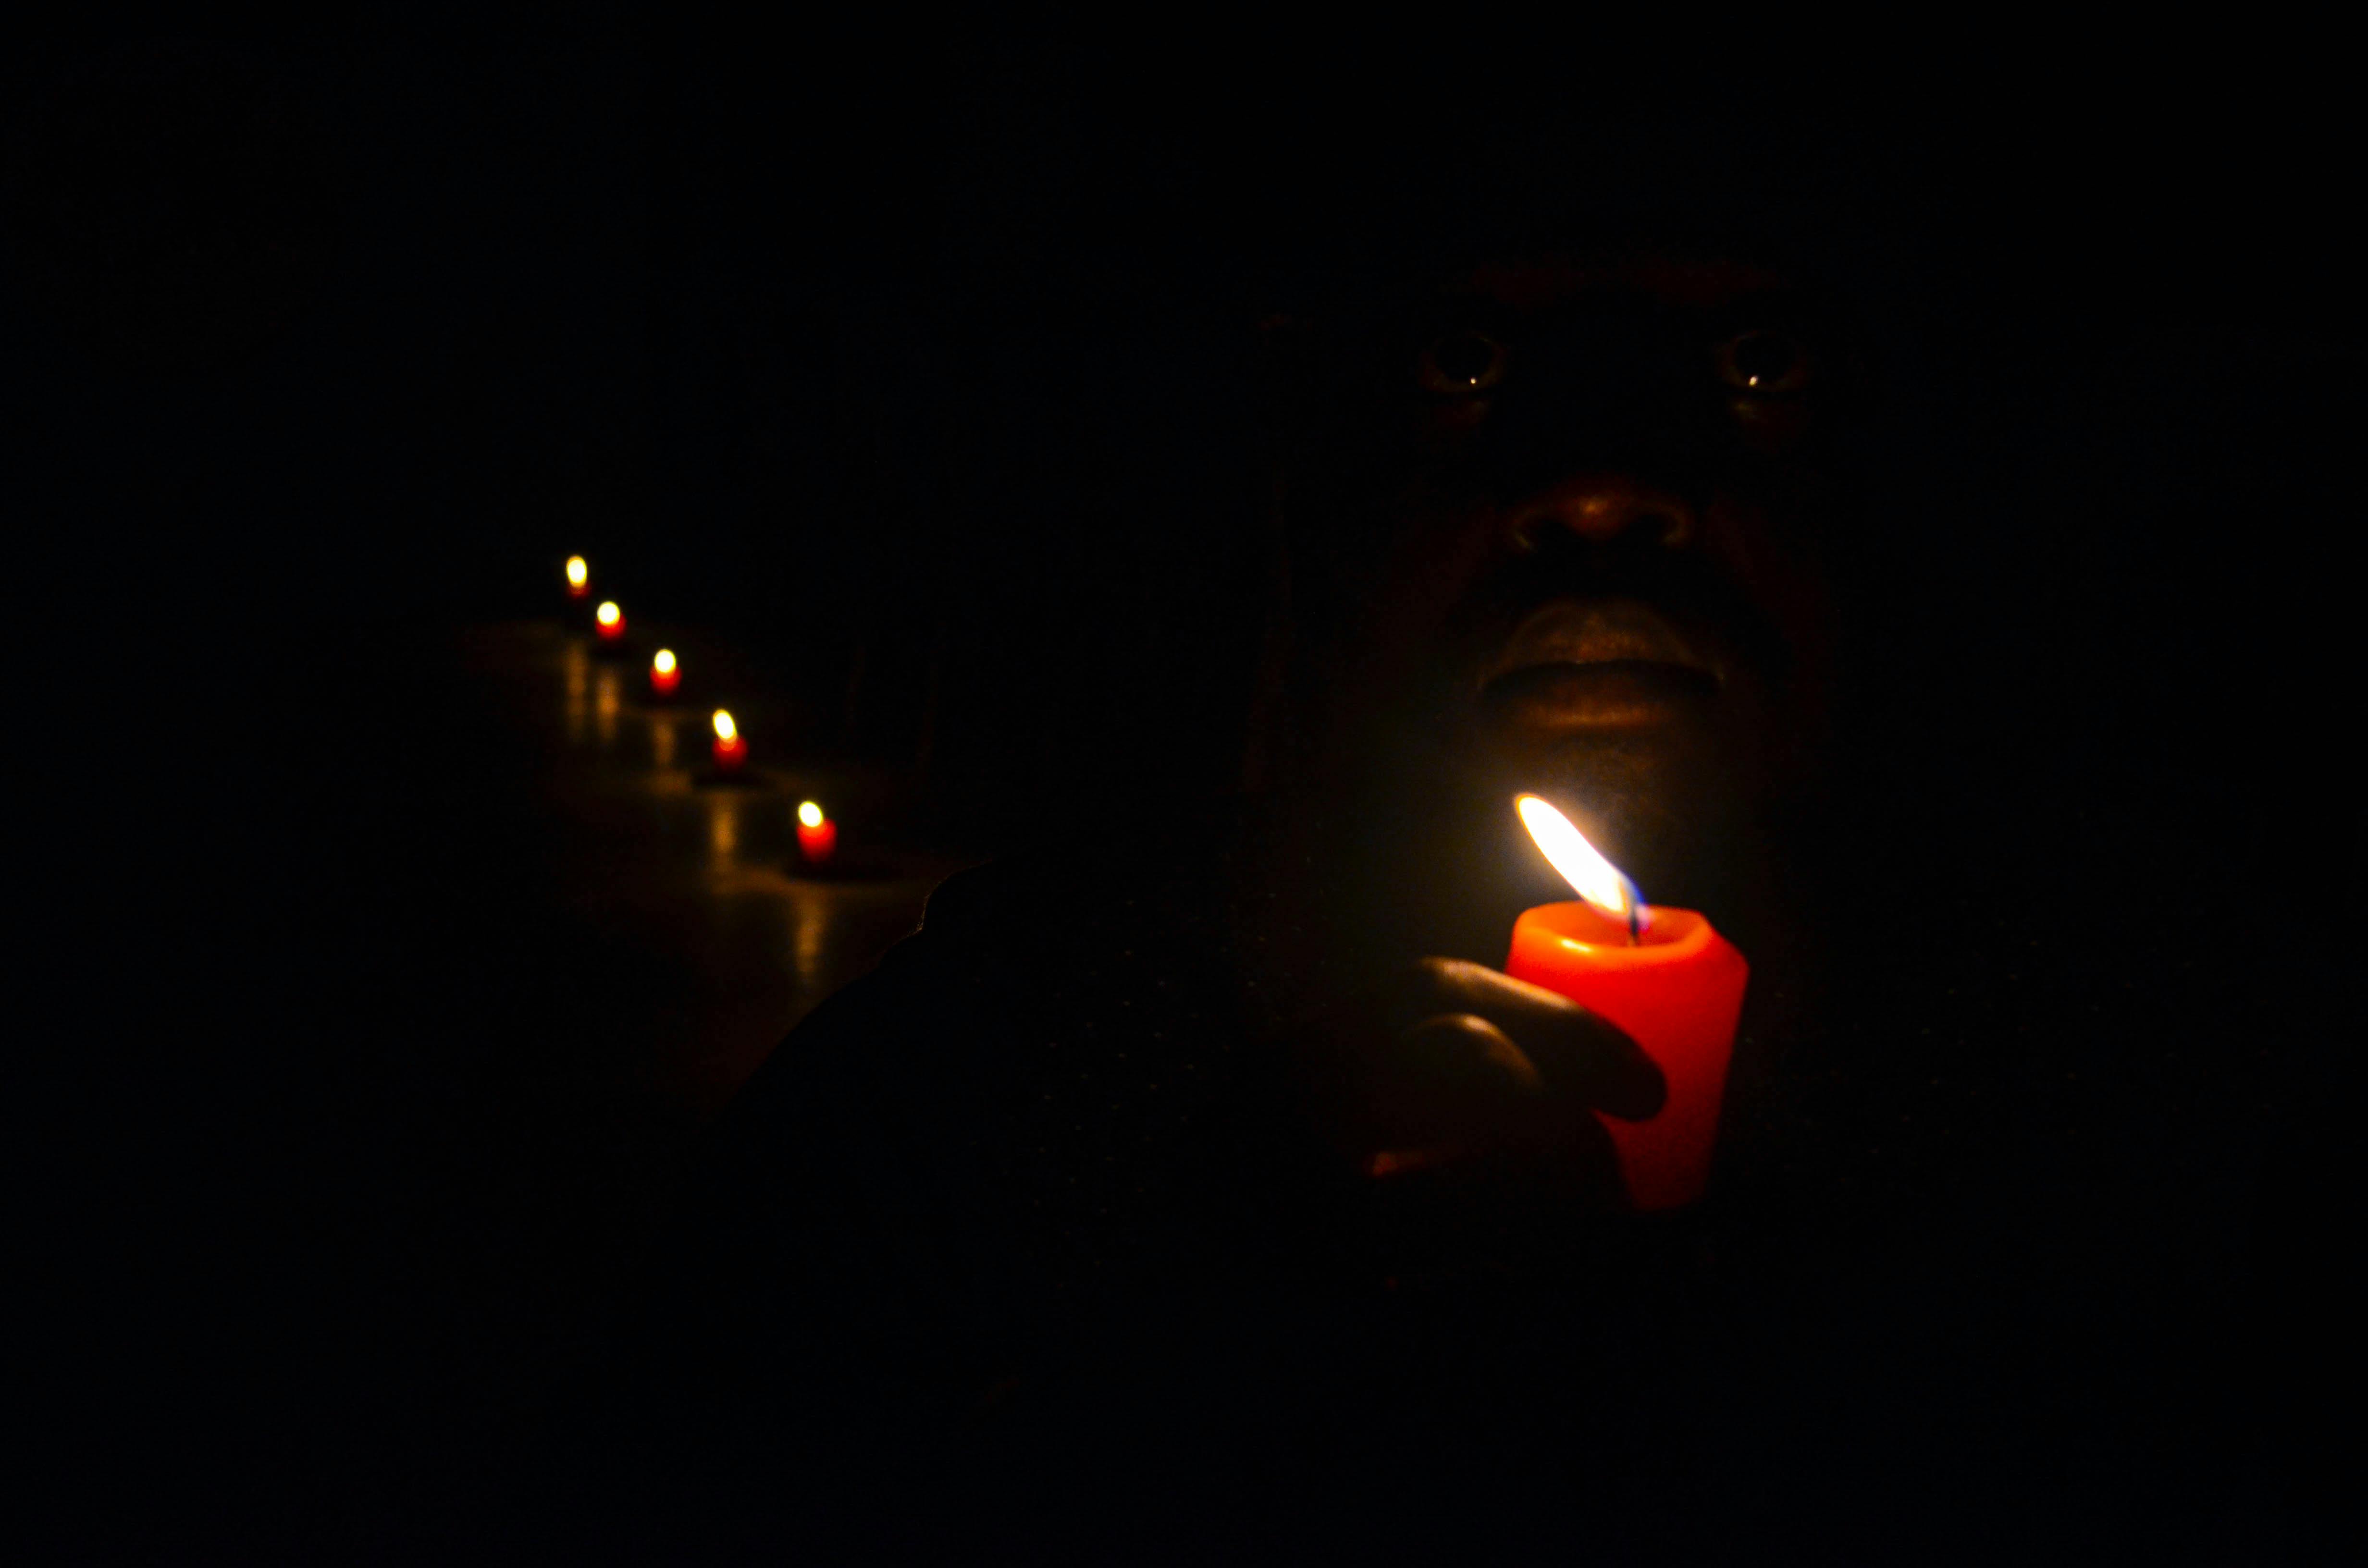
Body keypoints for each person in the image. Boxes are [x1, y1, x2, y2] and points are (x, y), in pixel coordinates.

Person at [559, 221, 1887, 1562]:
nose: (1600, 482)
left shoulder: (2050, 1078)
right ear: (1312, 488)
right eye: (1465, 362)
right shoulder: (1030, 1040)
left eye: (1757, 363)